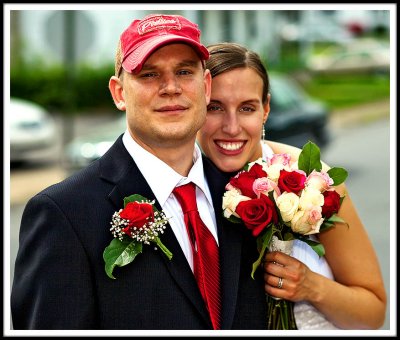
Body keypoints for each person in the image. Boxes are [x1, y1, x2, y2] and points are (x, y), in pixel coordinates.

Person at [11, 15, 267, 330]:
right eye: (149, 74)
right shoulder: (63, 214)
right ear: (119, 93)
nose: (171, 87)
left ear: (206, 85)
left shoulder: (246, 196)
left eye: (184, 71)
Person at [196, 42, 387, 329]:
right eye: (215, 108)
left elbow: (373, 314)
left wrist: (312, 287)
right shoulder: (179, 188)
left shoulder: (312, 181)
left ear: (266, 110)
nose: (231, 127)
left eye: (247, 108)